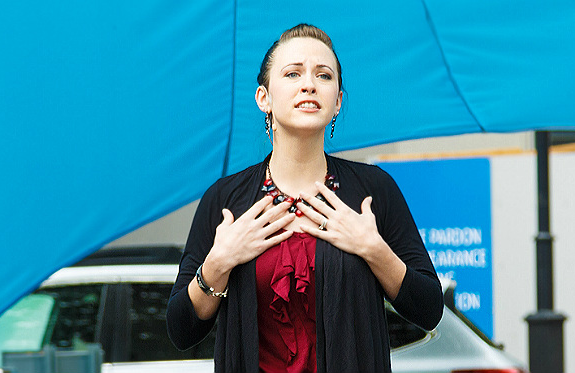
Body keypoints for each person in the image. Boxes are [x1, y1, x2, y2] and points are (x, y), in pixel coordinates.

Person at [167, 24, 443, 373]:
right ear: (263, 98)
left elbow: (429, 309)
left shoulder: (373, 190)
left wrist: (373, 249)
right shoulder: (225, 200)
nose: (309, 84)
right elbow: (181, 331)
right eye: (293, 73)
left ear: (338, 100)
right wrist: (219, 263)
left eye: (324, 76)